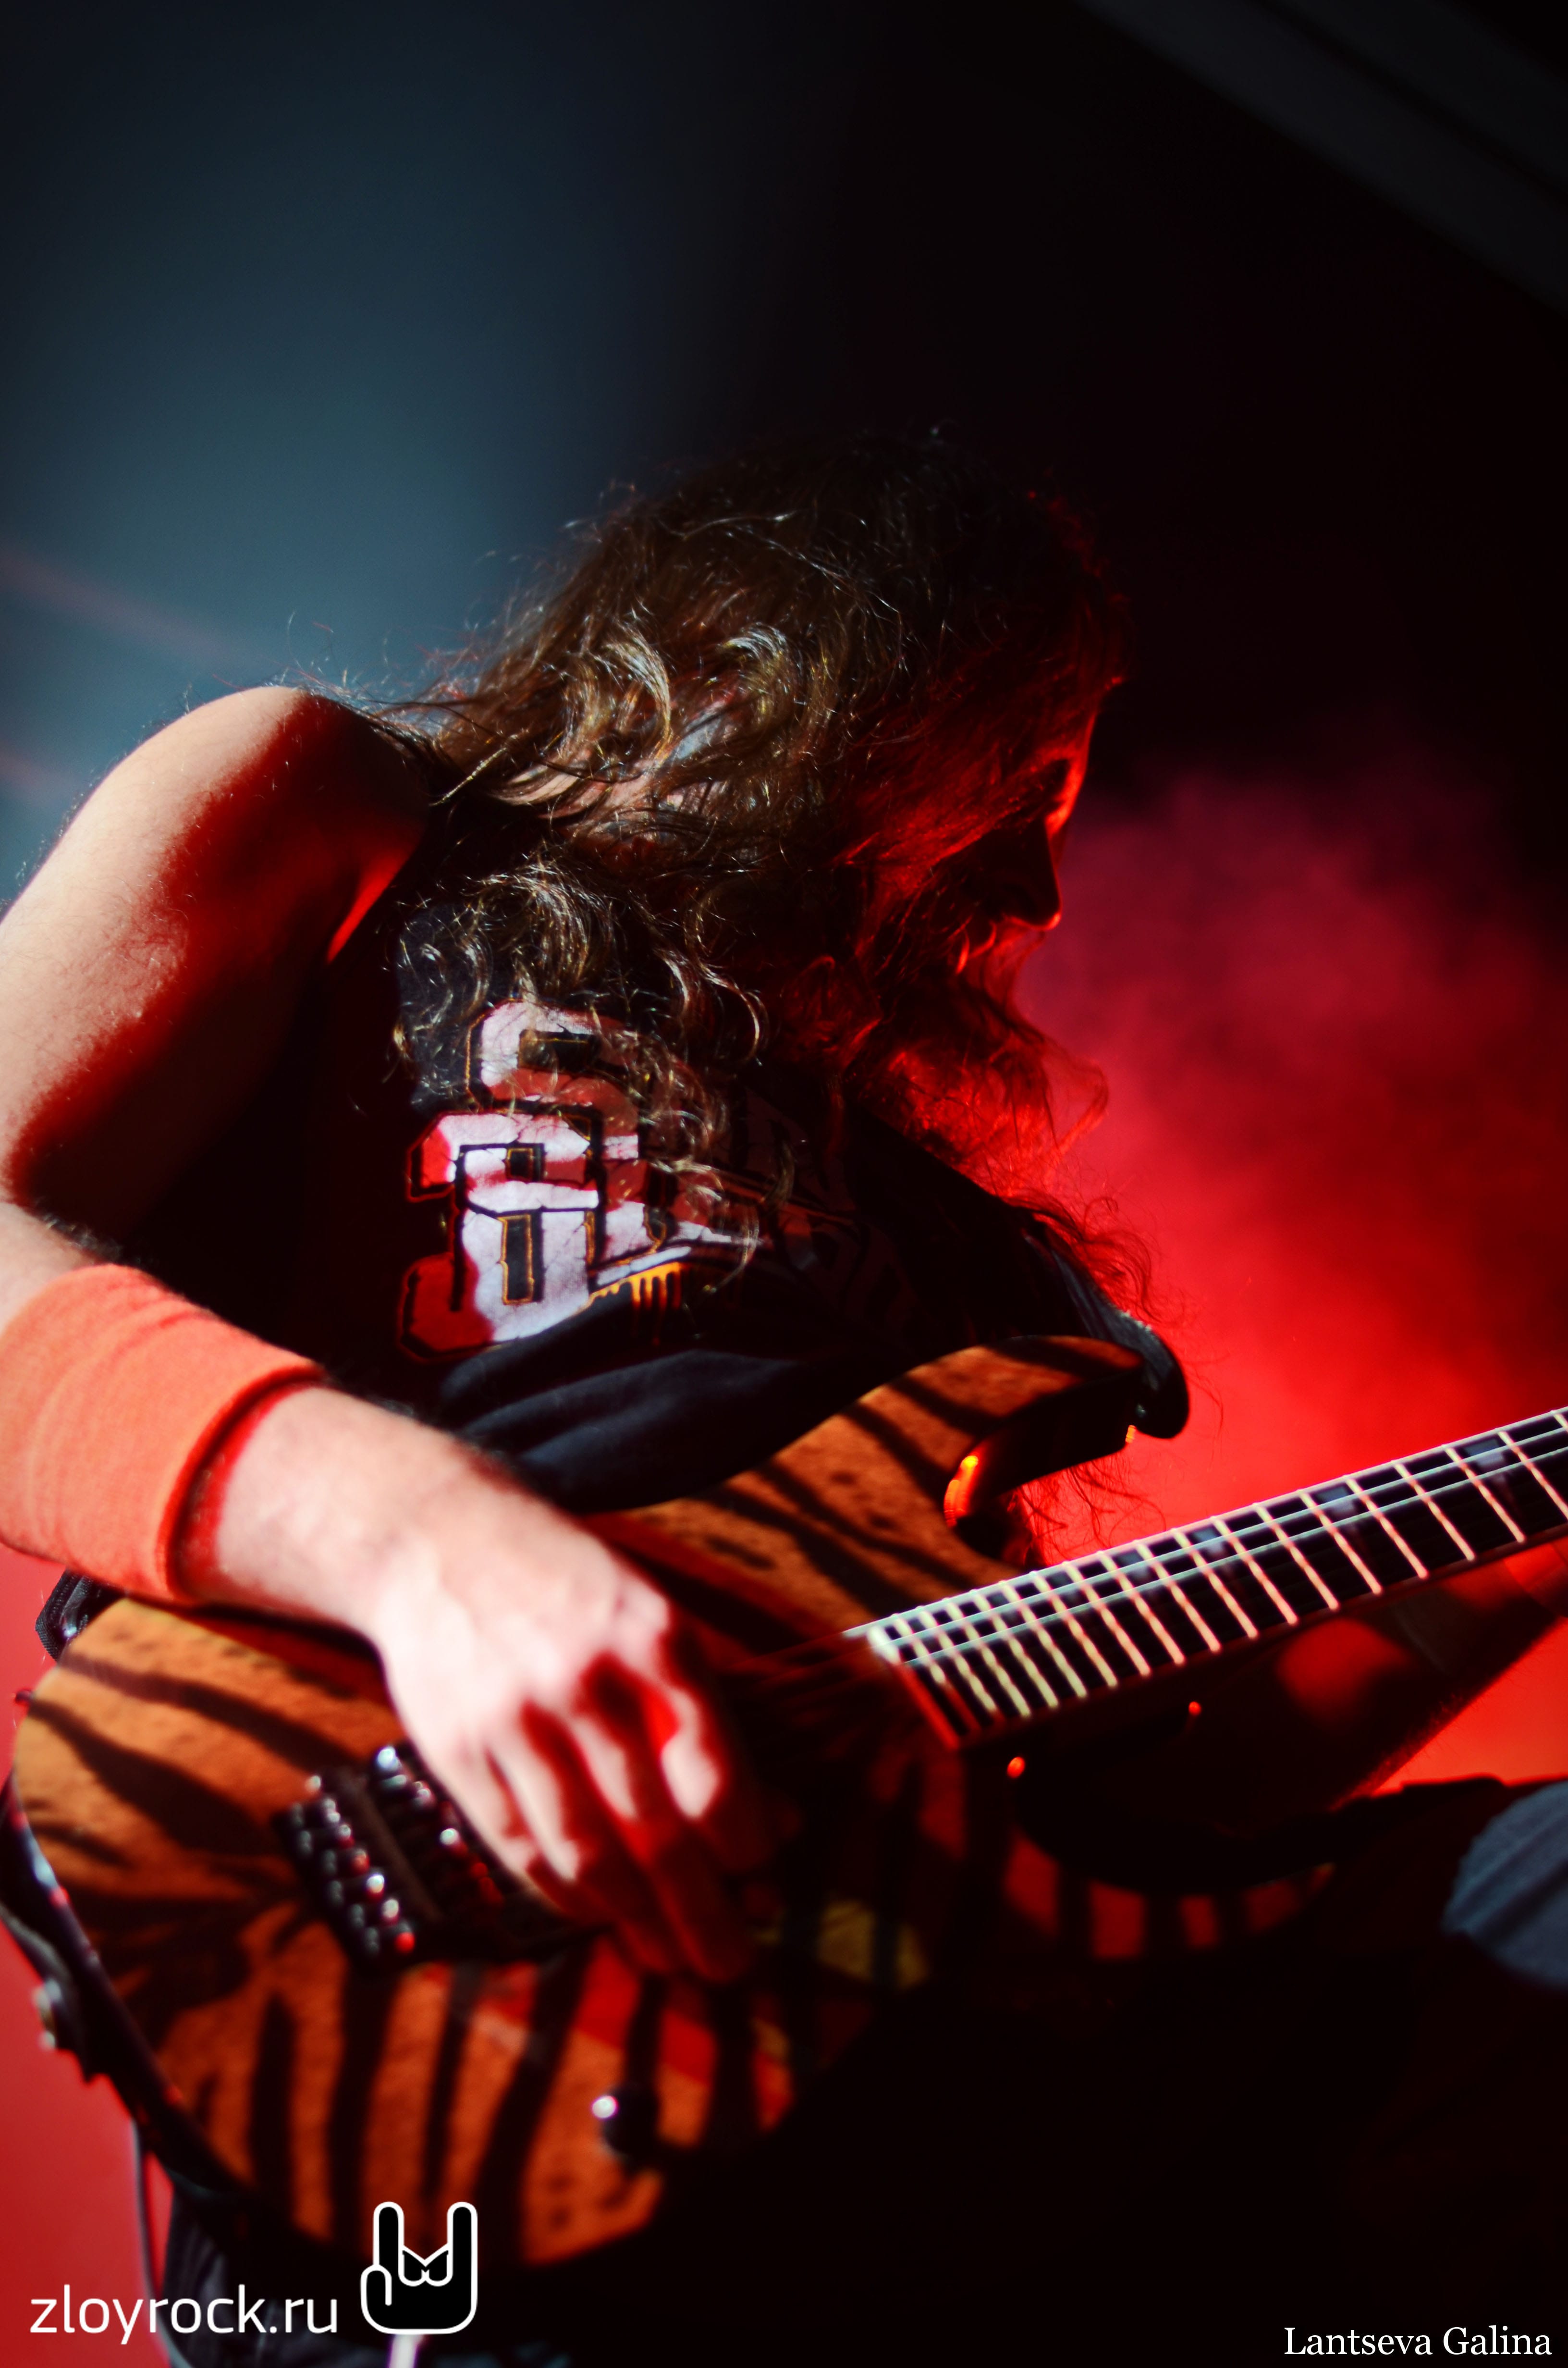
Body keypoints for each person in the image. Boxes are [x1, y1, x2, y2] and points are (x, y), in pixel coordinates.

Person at [0, 435, 1563, 2367]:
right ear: (773, 669)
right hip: (451, 2030)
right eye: (1017, 779)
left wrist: (1521, 1556)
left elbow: (1105, 1816)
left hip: (901, 2043)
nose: (1038, 885)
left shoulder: (957, 1260)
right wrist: (426, 1548)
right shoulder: (348, 811)